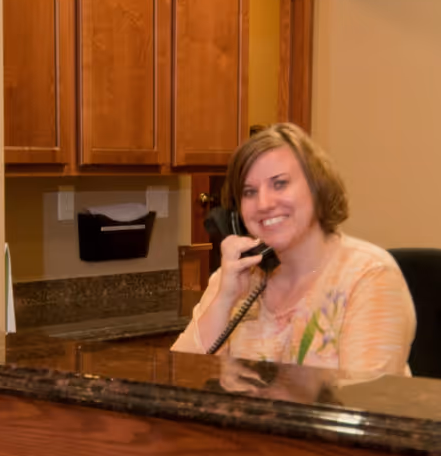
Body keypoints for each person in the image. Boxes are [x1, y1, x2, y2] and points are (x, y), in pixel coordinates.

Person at [172, 123, 415, 377]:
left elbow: (366, 402)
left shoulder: (369, 276)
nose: (264, 203)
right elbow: (180, 379)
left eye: (280, 184)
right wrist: (224, 300)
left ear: (316, 189)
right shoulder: (236, 278)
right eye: (249, 192)